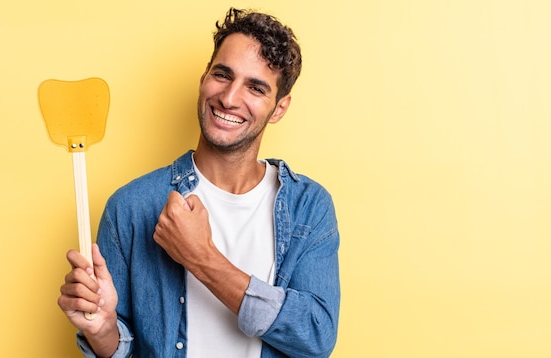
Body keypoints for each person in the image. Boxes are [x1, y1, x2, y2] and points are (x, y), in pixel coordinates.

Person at [58, 7, 340, 358]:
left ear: (279, 108)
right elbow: (120, 347)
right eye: (223, 75)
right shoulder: (131, 206)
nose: (230, 98)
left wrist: (202, 257)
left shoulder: (308, 207)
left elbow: (316, 336)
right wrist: (102, 330)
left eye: (255, 87)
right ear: (204, 76)